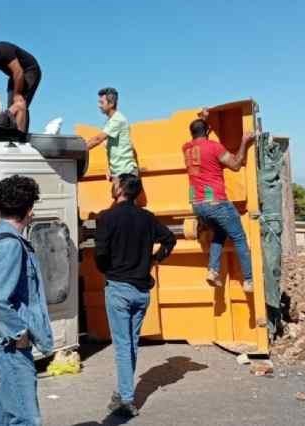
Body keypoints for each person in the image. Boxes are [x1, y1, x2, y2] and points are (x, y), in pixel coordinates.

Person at [94, 173, 176, 417]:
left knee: (122, 345)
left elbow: (100, 254)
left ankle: (127, 399)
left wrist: (108, 270)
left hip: (118, 288)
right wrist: (153, 260)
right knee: (130, 343)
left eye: (114, 183)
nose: (112, 185)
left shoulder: (106, 218)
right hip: (142, 290)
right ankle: (122, 391)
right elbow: (169, 239)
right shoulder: (147, 218)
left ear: (120, 189)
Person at [0, 175, 53, 426]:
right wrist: (19, 333)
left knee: (0, 419)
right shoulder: (11, 245)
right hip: (7, 348)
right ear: (30, 210)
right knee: (25, 419)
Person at [182, 109, 256, 293]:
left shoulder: (186, 148)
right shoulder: (214, 147)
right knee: (239, 238)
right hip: (216, 202)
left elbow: (199, 131)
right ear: (207, 132)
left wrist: (203, 120)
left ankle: (213, 270)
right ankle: (248, 280)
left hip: (198, 205)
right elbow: (236, 164)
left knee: (220, 234)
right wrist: (244, 142)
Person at [0, 35, 41, 133]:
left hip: (28, 71)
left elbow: (19, 71)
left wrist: (17, 94)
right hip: (14, 75)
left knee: (19, 103)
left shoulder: (3, 50)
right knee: (11, 107)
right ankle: (12, 133)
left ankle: (21, 136)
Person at [85, 88, 138, 190]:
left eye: (101, 102)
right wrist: (111, 169)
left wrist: (80, 149)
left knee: (123, 204)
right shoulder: (111, 121)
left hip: (125, 173)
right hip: (119, 172)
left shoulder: (117, 120)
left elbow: (98, 139)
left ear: (111, 104)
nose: (99, 105)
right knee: (121, 203)